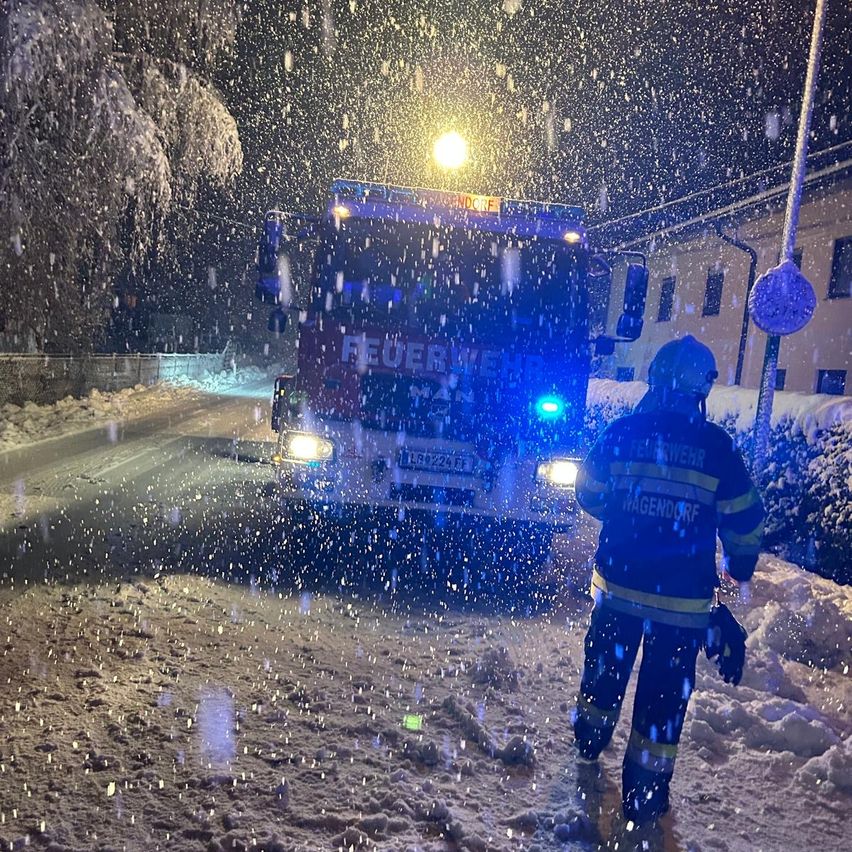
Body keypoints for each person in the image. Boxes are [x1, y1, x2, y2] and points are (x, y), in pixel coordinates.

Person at [572, 335, 764, 825]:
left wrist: (625, 517)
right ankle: (644, 796)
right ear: (702, 389)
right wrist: (738, 570)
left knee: (604, 674)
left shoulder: (623, 431)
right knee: (662, 699)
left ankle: (589, 742)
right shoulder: (717, 448)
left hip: (618, 589)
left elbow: (589, 493)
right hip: (681, 608)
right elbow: (744, 523)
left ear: (655, 379)